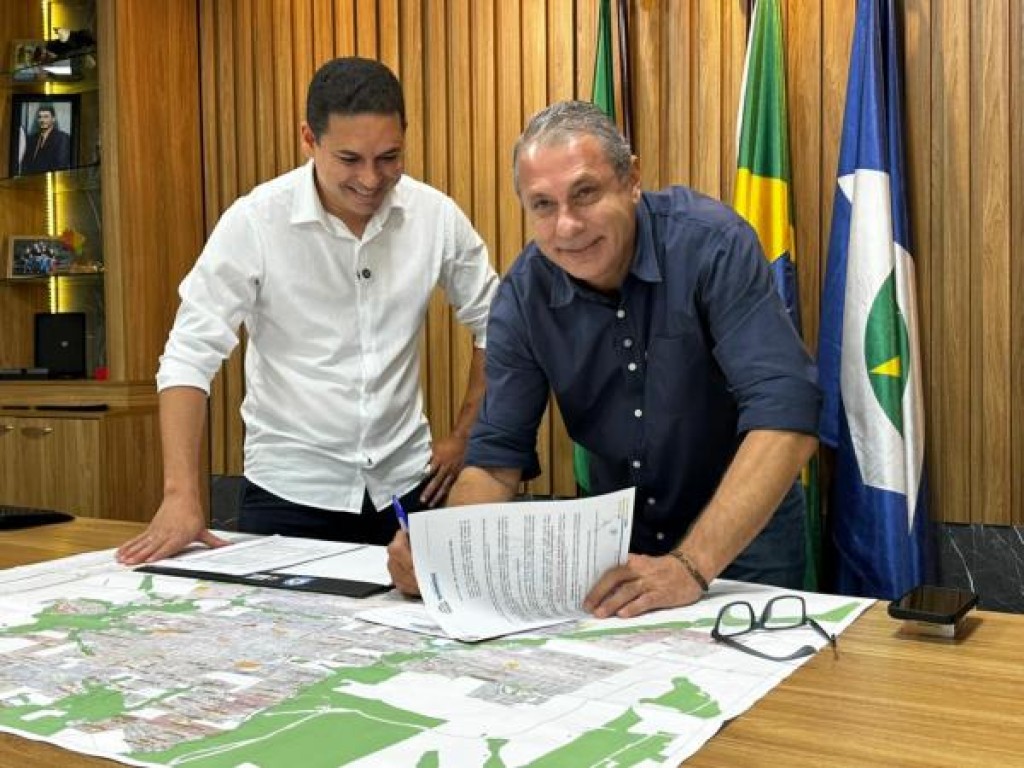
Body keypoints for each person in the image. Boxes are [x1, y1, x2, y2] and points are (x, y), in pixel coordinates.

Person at [388, 100, 820, 619]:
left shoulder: (712, 245)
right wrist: (441, 557)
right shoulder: (523, 297)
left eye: (585, 193)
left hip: (742, 541)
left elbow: (786, 417)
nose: (567, 226)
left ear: (631, 180)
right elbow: (496, 463)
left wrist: (690, 565)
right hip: (618, 553)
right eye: (543, 205)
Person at [117, 57, 498, 565]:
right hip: (289, 494)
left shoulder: (435, 217)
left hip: (406, 489)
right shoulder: (256, 222)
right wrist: (180, 495)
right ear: (308, 139)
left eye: (389, 157)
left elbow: (496, 324)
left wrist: (464, 436)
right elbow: (189, 355)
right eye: (349, 159)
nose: (371, 179)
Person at [20, 103, 72, 174]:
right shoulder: (31, 139)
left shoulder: (63, 138)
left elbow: (61, 167)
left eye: (46, 117)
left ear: (53, 119)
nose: (42, 120)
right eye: (40, 117)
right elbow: (26, 164)